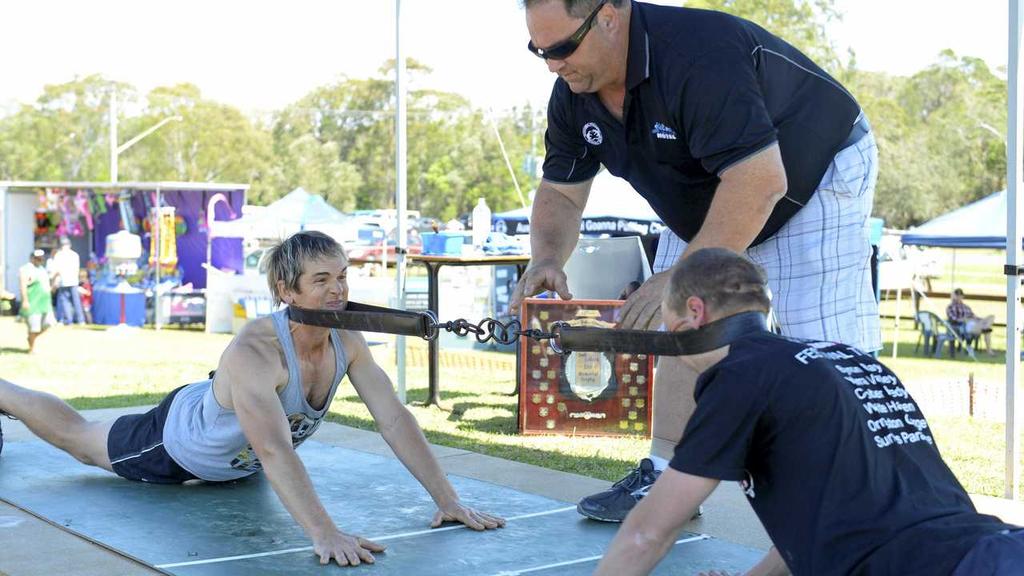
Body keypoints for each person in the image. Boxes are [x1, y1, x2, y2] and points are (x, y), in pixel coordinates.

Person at [514, 0, 881, 521]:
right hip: (713, 189)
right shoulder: (573, 94)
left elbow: (760, 182)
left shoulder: (697, 55)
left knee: (822, 339)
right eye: (540, 51)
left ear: (609, 16)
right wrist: (547, 258)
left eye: (563, 48)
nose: (553, 65)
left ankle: (868, 487)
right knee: (680, 329)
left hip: (811, 176)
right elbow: (561, 193)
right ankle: (665, 480)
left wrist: (678, 277)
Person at [0, 231, 504, 567]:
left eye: (342, 275)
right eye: (321, 280)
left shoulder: (347, 339)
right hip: (178, 443)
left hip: (233, 454)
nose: (338, 290)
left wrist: (448, 500)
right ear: (286, 290)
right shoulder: (257, 350)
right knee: (80, 439)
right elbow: (274, 449)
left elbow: (393, 419)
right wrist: (325, 532)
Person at [593, 248, 1022, 576]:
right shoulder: (851, 360)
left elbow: (647, 533)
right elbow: (833, 514)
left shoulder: (740, 374)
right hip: (993, 548)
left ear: (694, 312)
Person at [18, 249, 56, 353]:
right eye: (37, 258)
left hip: (45, 303)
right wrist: (25, 300)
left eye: (41, 258)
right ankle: (32, 349)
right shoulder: (26, 269)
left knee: (49, 324)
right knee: (34, 327)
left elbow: (46, 286)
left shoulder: (42, 269)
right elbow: (23, 285)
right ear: (32, 258)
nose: (40, 260)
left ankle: (31, 339)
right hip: (33, 303)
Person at [947, 288, 995, 356]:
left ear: (962, 296)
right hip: (964, 326)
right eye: (957, 295)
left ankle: (985, 327)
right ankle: (989, 351)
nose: (959, 297)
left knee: (991, 317)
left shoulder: (966, 307)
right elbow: (953, 319)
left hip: (975, 323)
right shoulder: (950, 307)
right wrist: (964, 319)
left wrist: (980, 320)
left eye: (960, 295)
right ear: (953, 296)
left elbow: (974, 316)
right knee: (987, 330)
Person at [49, 237, 85, 325]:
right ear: (69, 245)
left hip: (63, 281)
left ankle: (69, 320)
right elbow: (77, 269)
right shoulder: (75, 255)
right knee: (76, 301)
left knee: (65, 301)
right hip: (73, 280)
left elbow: (56, 270)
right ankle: (81, 320)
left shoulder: (59, 255)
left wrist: (53, 281)